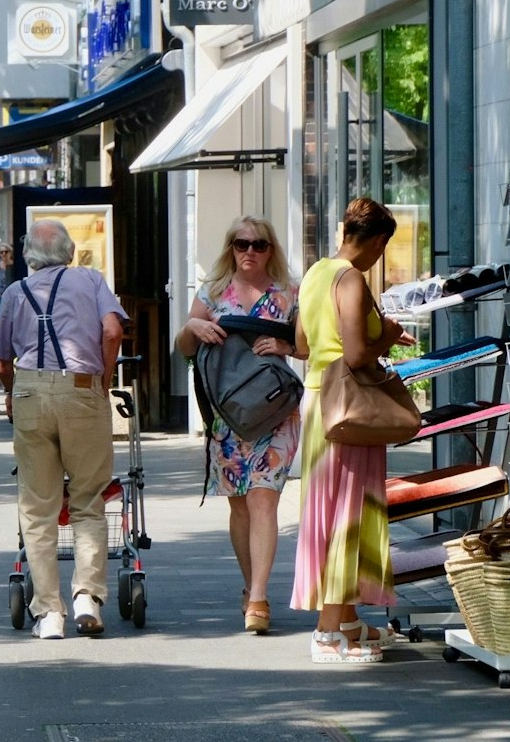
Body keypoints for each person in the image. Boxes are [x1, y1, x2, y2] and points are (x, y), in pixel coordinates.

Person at [0, 219, 126, 640]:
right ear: (69, 252)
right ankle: (87, 595)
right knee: (88, 499)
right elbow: (112, 330)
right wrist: (104, 381)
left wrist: (14, 392)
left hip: (31, 391)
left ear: (30, 255)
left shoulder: (15, 293)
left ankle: (49, 613)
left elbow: (0, 364)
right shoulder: (90, 280)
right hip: (83, 389)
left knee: (37, 507)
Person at [291, 197, 410, 663]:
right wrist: (386, 336)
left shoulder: (316, 273)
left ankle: (343, 619)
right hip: (350, 408)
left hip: (318, 400)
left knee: (329, 512)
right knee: (350, 516)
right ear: (378, 240)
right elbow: (359, 355)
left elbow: (302, 345)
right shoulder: (352, 280)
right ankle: (327, 633)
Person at [174, 216, 300, 634]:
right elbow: (184, 349)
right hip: (228, 413)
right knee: (240, 504)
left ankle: (260, 598)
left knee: (264, 499)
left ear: (271, 249)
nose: (250, 251)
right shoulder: (212, 291)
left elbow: (309, 345)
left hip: (275, 410)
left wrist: (284, 344)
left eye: (259, 244)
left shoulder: (288, 293)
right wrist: (192, 326)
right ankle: (250, 586)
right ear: (231, 247)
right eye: (242, 243)